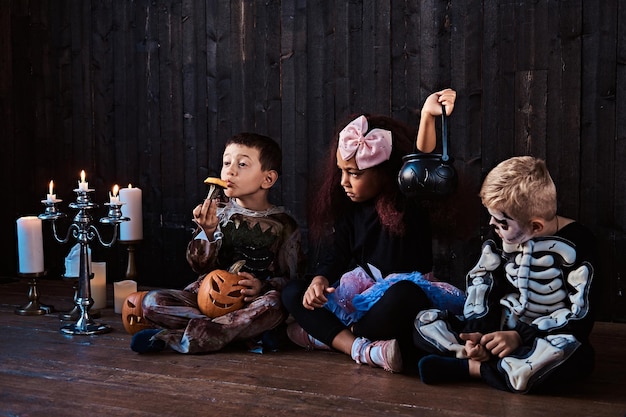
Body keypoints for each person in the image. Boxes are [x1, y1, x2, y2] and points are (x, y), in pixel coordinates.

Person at [281, 89, 459, 373]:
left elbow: (421, 165)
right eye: (341, 171)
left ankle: (330, 337)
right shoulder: (349, 209)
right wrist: (319, 280)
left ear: (387, 172)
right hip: (359, 296)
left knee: (405, 295)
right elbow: (336, 256)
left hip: (394, 301)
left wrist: (427, 117)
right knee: (292, 292)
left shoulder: (407, 201)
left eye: (355, 173)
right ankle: (361, 349)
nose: (344, 182)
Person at [413, 156, 597, 393]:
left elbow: (581, 314)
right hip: (498, 328)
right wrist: (478, 332)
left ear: (536, 227)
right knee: (425, 322)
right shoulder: (499, 237)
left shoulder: (580, 242)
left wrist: (520, 337)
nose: (492, 225)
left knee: (578, 359)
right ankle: (487, 359)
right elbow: (484, 282)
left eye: (501, 223)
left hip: (544, 339)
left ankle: (474, 369)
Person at [131, 132, 303, 354]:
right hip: (208, 298)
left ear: (267, 179)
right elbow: (198, 266)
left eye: (242, 164)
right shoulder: (217, 212)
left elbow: (294, 279)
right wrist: (207, 231)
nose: (230, 171)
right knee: (152, 302)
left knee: (272, 305)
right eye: (226, 163)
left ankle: (175, 338)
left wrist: (263, 286)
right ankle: (242, 336)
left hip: (253, 303)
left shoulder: (283, 224)